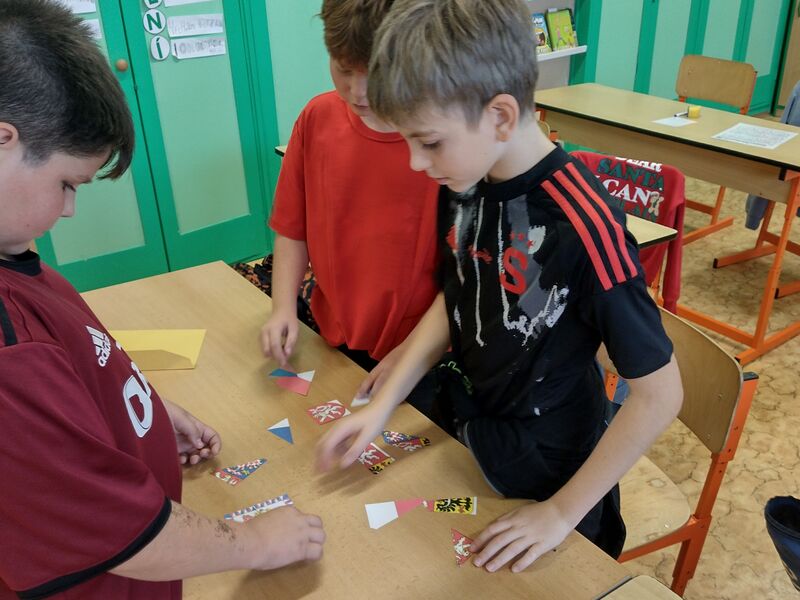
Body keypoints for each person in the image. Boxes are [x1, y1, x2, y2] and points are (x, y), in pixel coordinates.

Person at [317, 0, 683, 573]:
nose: (415, 163)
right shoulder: (466, 177)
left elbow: (661, 395)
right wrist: (382, 405)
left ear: (501, 117)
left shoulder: (585, 228)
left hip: (551, 475)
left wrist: (560, 514)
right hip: (472, 433)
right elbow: (460, 289)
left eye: (428, 142)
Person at [0, 2, 324, 597]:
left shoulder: (11, 257)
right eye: (67, 184)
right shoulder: (7, 351)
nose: (68, 209)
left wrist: (139, 413)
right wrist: (256, 542)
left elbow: (73, 375)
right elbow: (120, 535)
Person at [261, 0, 440, 408]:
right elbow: (291, 229)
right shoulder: (317, 118)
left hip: (419, 352)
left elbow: (462, 278)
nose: (358, 92)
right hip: (334, 334)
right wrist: (282, 308)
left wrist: (409, 355)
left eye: (375, 73)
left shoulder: (439, 140)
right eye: (343, 69)